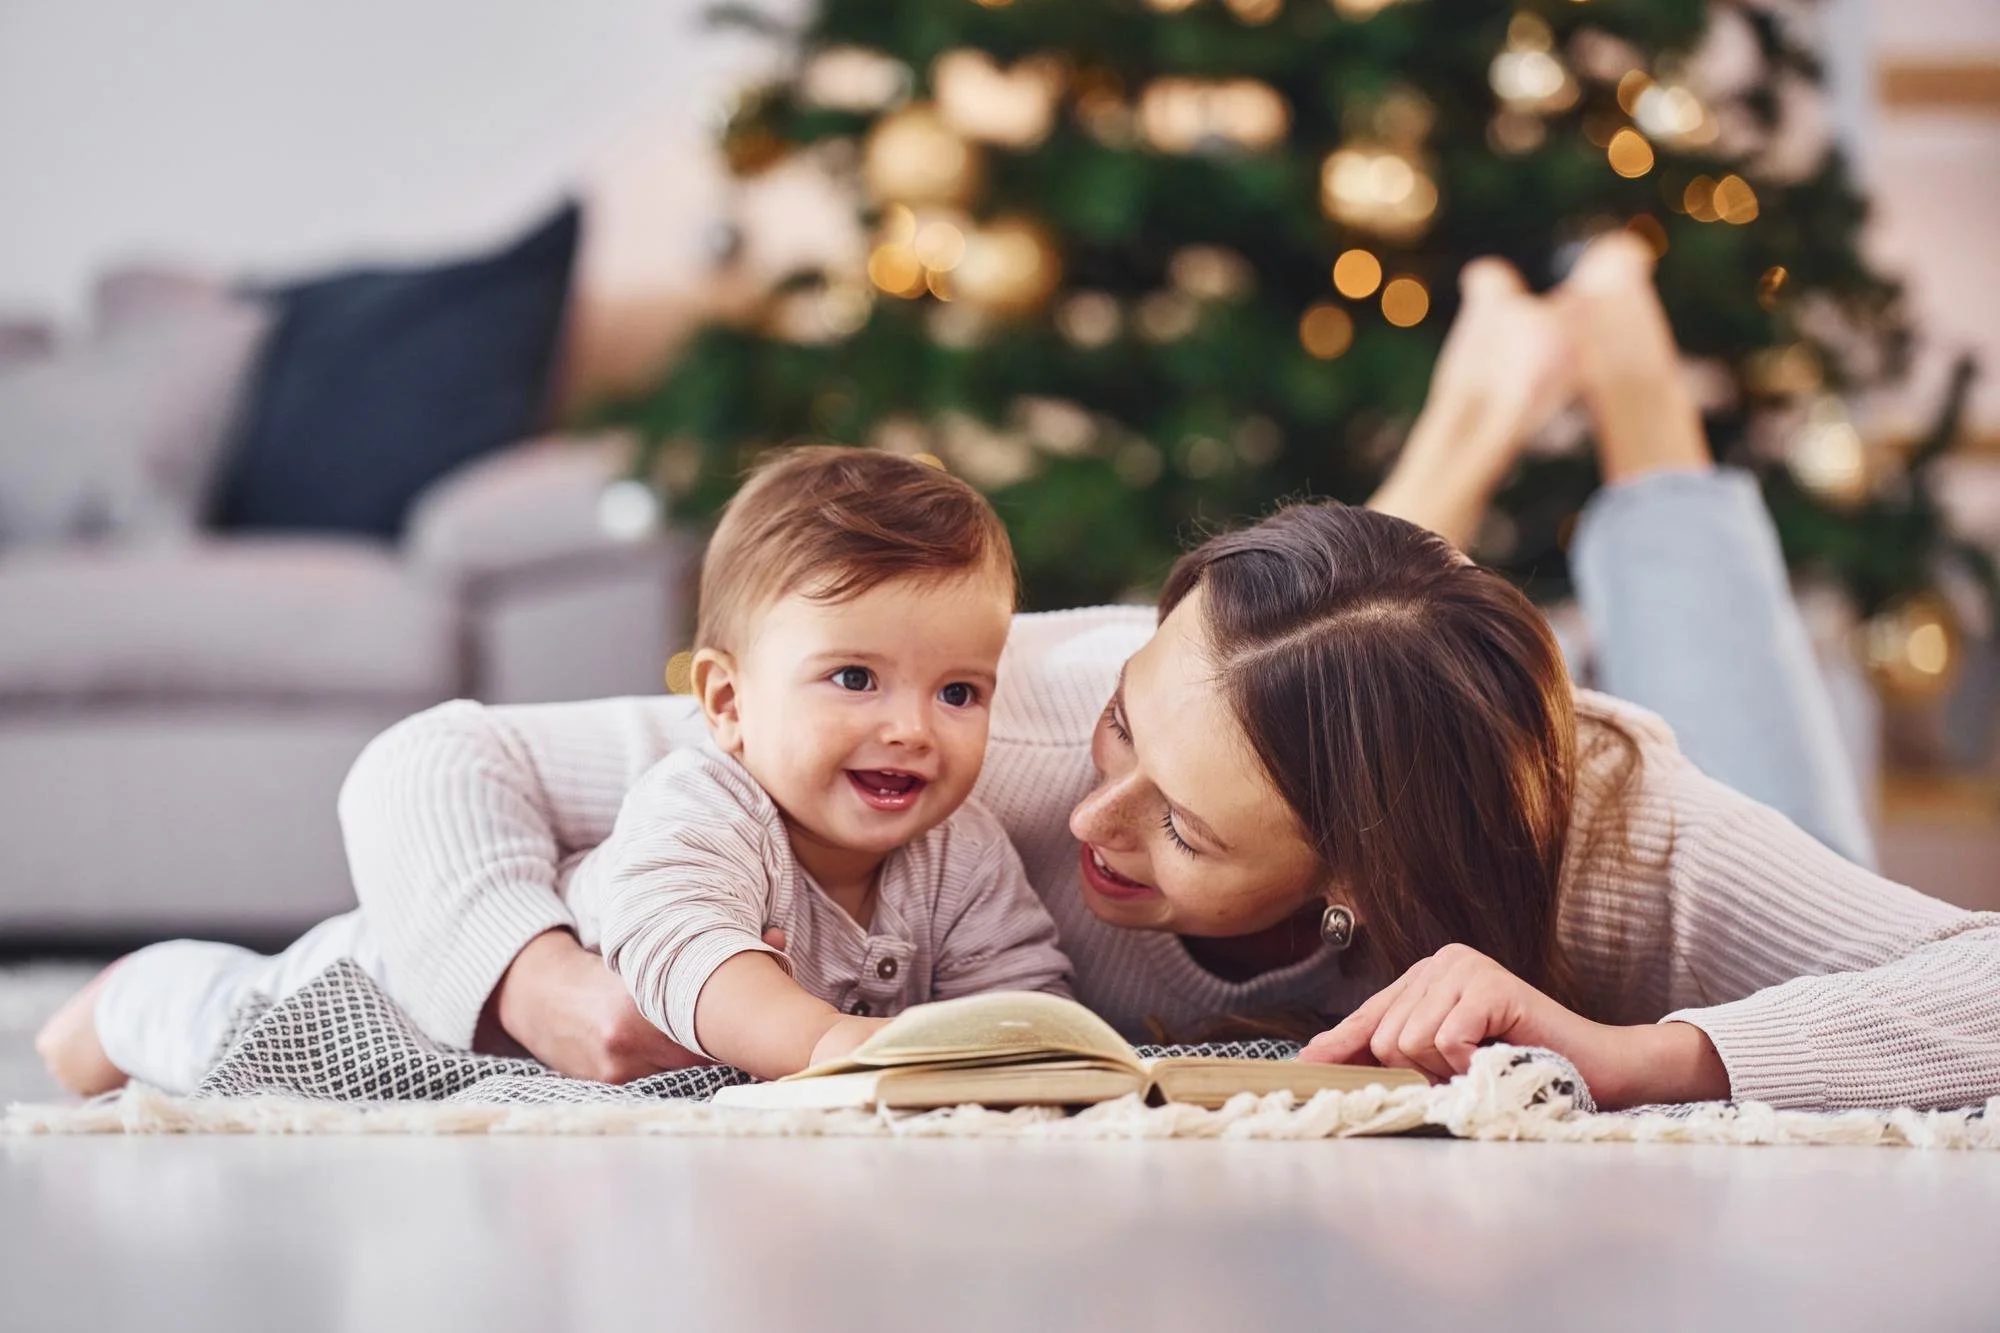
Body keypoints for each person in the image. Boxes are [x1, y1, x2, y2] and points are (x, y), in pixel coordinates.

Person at [54, 235, 2000, 1111]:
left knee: (1789, 812)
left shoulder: (1618, 841)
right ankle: (1475, 424)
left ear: (1354, 885)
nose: (1089, 816)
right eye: (1136, 723)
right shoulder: (1007, 716)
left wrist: (1650, 1052)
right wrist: (557, 997)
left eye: (1185, 828)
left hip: (1572, 818)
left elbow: (1971, 989)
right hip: (1349, 690)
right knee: (1347, 645)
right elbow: (437, 762)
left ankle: (1635, 392)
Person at [38, 448, 1073, 1092]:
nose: (911, 729)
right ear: (724, 703)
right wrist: (828, 1044)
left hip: (544, 1075)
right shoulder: (705, 803)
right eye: (854, 678)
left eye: (958, 692)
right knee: (240, 1035)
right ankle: (131, 995)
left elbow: (1017, 984)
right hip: (394, 984)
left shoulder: (961, 848)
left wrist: (1040, 1058)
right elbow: (686, 948)